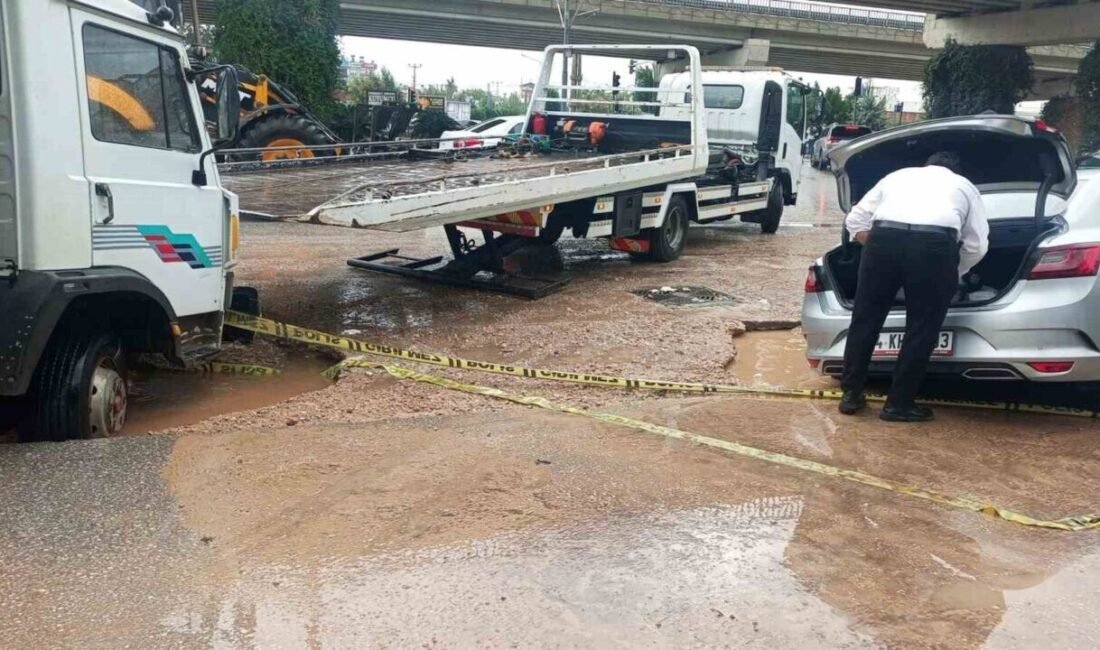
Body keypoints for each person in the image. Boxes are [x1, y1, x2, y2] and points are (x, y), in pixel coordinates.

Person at [839, 151, 989, 422]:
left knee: (865, 319)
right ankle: (898, 405)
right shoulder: (965, 186)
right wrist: (952, 271)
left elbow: (854, 221)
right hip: (934, 247)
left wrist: (879, 247)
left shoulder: (897, 176)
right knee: (921, 328)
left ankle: (850, 395)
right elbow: (977, 245)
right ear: (955, 171)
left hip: (883, 239)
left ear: (925, 166)